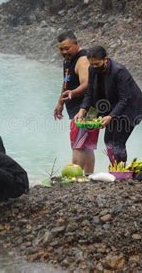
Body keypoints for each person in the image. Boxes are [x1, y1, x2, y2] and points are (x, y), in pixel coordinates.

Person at [74, 45, 142, 164]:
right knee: (108, 140)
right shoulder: (92, 69)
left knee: (118, 142)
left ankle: (121, 172)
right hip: (113, 105)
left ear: (105, 60)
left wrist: (110, 116)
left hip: (131, 108)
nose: (93, 67)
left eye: (97, 64)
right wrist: (82, 110)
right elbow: (90, 93)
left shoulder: (119, 71)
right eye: (91, 64)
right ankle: (115, 167)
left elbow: (124, 99)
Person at [53, 31, 98, 175]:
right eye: (61, 49)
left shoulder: (82, 59)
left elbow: (87, 84)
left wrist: (72, 93)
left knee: (78, 145)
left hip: (85, 109)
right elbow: (66, 81)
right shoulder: (68, 60)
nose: (64, 52)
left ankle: (75, 178)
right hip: (84, 109)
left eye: (67, 48)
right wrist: (60, 102)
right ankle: (88, 177)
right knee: (87, 146)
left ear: (76, 44)